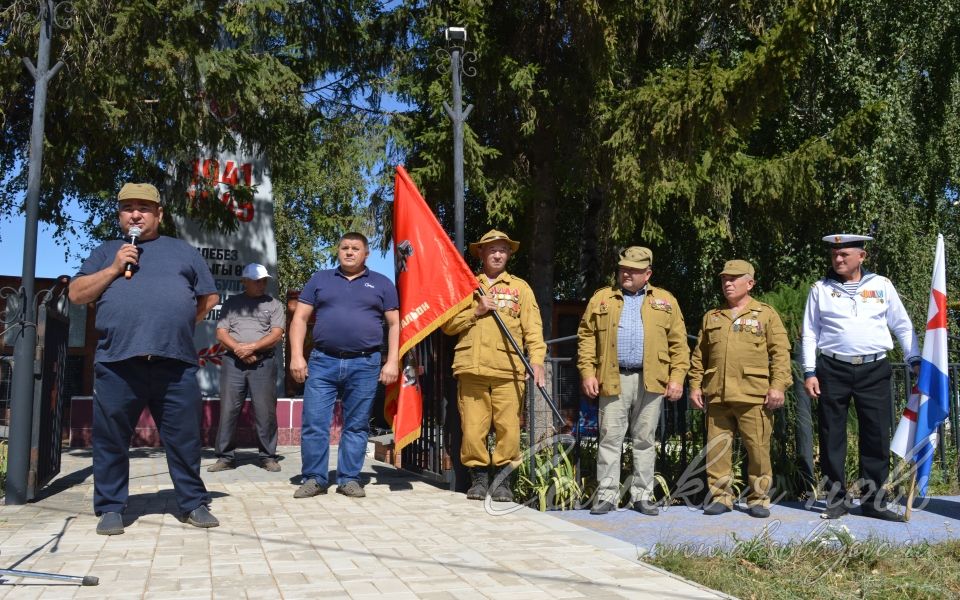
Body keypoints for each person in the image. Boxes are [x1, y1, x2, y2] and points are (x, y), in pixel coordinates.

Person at [68, 182, 220, 535]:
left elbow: (208, 297)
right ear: (120, 215)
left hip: (175, 363)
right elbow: (76, 294)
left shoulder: (183, 251)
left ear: (159, 214)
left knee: (184, 439)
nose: (135, 214)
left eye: (144, 208)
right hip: (118, 364)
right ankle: (110, 507)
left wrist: (180, 323)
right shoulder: (106, 252)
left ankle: (192, 502)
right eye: (128, 208)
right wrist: (112, 268)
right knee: (111, 439)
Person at [802, 234, 920, 521]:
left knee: (876, 435)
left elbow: (902, 325)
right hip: (833, 369)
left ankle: (874, 502)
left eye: (844, 255)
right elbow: (809, 332)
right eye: (834, 256)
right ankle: (836, 500)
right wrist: (809, 371)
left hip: (874, 369)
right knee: (832, 435)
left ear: (861, 257)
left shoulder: (881, 286)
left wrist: (913, 358)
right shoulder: (821, 289)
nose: (838, 260)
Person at [577, 246, 689, 516]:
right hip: (612, 378)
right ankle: (606, 496)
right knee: (609, 438)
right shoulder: (602, 299)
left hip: (652, 381)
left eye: (634, 270)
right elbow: (586, 338)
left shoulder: (665, 300)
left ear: (647, 273)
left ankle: (643, 495)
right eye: (623, 268)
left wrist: (677, 378)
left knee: (645, 440)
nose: (626, 274)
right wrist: (588, 372)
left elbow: (679, 344)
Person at [288, 232, 399, 499]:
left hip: (365, 363)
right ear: (338, 251)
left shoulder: (382, 283)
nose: (349, 252)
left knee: (357, 424)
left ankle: (349, 478)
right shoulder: (320, 279)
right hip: (323, 361)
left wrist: (392, 360)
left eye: (355, 248)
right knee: (314, 422)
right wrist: (296, 355)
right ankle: (314, 478)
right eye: (345, 248)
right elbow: (300, 318)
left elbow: (395, 324)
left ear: (366, 254)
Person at [441, 230, 546, 503]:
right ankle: (478, 480)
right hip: (472, 368)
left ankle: (502, 483)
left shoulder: (520, 288)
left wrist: (536, 362)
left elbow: (533, 330)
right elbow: (447, 325)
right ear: (482, 254)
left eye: (502, 250)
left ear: (509, 254)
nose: (497, 254)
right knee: (473, 428)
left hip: (507, 370)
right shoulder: (467, 286)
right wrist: (476, 311)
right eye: (492, 250)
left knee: (508, 429)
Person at [688, 260, 792, 518]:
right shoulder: (712, 316)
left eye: (734, 279)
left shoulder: (765, 314)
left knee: (757, 448)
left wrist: (778, 386)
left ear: (750, 283)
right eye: (724, 279)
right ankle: (721, 497)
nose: (728, 283)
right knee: (717, 448)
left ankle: (758, 498)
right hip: (717, 393)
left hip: (753, 394)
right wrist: (694, 385)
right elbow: (698, 356)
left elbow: (781, 353)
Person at [208, 263, 286, 473]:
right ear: (245, 282)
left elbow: (276, 334)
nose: (261, 284)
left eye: (264, 280)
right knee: (228, 409)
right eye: (256, 281)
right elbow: (221, 332)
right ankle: (225, 457)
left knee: (265, 411)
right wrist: (239, 349)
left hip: (263, 362)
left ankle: (268, 456)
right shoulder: (232, 303)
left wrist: (252, 348)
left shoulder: (274, 304)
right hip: (233, 362)